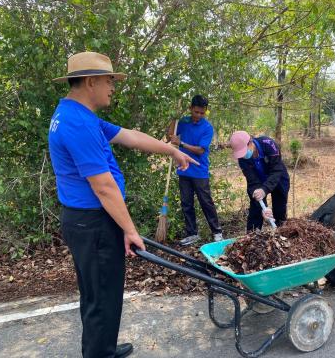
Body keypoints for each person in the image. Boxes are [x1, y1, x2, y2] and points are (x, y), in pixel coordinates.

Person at [49, 51, 197, 358]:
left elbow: (130, 136)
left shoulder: (79, 115)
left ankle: (102, 348)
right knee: (101, 295)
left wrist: (172, 152)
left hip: (88, 222)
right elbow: (103, 187)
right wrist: (129, 230)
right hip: (93, 224)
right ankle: (99, 353)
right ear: (90, 81)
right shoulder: (77, 123)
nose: (113, 87)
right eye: (109, 80)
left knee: (100, 293)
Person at [166, 95, 223, 246]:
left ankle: (217, 232)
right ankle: (192, 233)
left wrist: (182, 144)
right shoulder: (183, 121)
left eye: (201, 113)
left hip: (199, 170)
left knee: (206, 202)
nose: (198, 115)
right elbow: (170, 137)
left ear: (205, 112)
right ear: (191, 108)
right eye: (196, 112)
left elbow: (200, 150)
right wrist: (173, 119)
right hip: (183, 169)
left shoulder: (207, 128)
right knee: (186, 203)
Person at [229, 131, 290, 231]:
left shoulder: (268, 144)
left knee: (280, 209)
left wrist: (265, 189)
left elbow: (276, 169)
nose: (244, 155)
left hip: (278, 178)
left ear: (250, 142)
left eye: (244, 151)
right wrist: (264, 208)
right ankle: (252, 236)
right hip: (258, 181)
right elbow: (252, 181)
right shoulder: (242, 159)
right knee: (256, 209)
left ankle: (281, 233)